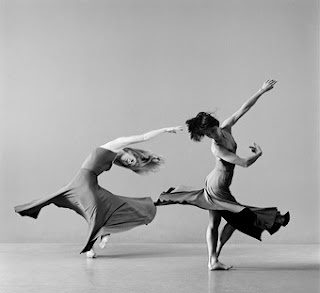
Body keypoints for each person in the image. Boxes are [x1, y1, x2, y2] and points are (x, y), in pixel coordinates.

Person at [156, 80, 290, 270]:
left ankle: (214, 259)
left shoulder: (226, 127)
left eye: (212, 130)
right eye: (208, 134)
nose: (212, 135)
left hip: (219, 185)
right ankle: (214, 257)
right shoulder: (217, 148)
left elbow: (243, 109)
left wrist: (261, 91)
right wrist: (258, 154)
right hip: (216, 188)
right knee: (233, 219)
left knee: (224, 221)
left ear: (216, 125)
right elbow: (243, 163)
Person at [15, 126, 183, 258]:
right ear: (131, 151)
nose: (130, 162)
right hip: (83, 181)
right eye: (131, 159)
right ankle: (99, 237)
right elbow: (144, 137)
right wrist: (166, 130)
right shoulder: (117, 144)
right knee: (95, 210)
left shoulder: (115, 159)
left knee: (109, 204)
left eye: (131, 164)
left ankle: (100, 237)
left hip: (88, 183)